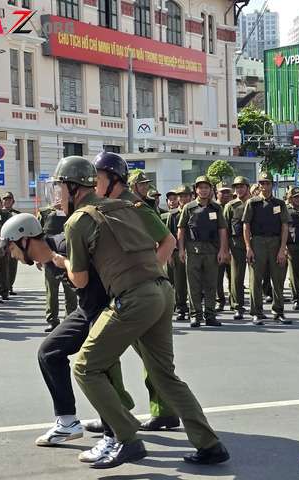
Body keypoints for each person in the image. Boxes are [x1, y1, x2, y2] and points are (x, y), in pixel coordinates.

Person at [47, 156, 229, 469]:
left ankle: (127, 439)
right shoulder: (125, 206)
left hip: (133, 299)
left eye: (61, 188)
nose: (58, 195)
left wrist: (55, 258)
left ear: (74, 188)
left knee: (86, 368)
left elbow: (79, 279)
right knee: (165, 375)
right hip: (161, 290)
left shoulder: (78, 221)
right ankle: (210, 444)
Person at [0, 212, 133, 455]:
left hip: (109, 308)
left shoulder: (65, 246)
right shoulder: (48, 257)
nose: (11, 255)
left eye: (11, 248)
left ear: (25, 239)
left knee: (95, 365)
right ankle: (67, 422)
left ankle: (114, 434)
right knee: (49, 352)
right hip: (87, 309)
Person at [93, 151, 179, 433]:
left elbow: (168, 240)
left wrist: (150, 271)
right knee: (133, 354)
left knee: (145, 355)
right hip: (123, 289)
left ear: (113, 179)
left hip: (141, 291)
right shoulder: (106, 205)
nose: (94, 183)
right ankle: (119, 412)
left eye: (98, 177)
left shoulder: (135, 206)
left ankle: (152, 411)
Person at [178, 176, 229, 327]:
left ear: (211, 190)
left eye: (206, 187)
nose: (203, 190)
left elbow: (222, 230)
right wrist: (181, 250)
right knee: (193, 285)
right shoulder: (189, 207)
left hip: (212, 251)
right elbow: (181, 230)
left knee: (211, 284)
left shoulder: (216, 207)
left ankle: (210, 315)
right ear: (196, 190)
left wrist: (223, 250)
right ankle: (195, 315)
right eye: (200, 187)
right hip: (193, 250)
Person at [243, 171, 290, 325]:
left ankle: (278, 311)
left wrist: (282, 248)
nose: (265, 186)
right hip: (257, 242)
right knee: (255, 279)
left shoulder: (280, 204)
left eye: (267, 183)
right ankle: (256, 312)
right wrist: (248, 247)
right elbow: (246, 226)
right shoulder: (253, 203)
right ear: (259, 185)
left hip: (275, 242)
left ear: (272, 185)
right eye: (262, 183)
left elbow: (285, 226)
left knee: (278, 278)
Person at [37, 201, 78, 332]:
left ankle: (70, 318)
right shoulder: (44, 214)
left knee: (70, 290)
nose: (59, 199)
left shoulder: (74, 212)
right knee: (51, 290)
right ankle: (52, 320)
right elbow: (38, 236)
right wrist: (38, 257)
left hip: (68, 254)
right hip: (49, 256)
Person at [223, 176, 251, 320]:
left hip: (254, 244)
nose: (239, 189)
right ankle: (237, 306)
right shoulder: (230, 206)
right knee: (236, 278)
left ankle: (255, 308)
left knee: (255, 278)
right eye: (237, 187)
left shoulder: (255, 203)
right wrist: (225, 249)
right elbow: (224, 229)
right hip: (236, 244)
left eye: (242, 186)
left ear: (247, 187)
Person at [167, 185, 192, 322]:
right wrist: (170, 255)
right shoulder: (173, 215)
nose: (183, 198)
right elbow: (168, 235)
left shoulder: (195, 211)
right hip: (177, 252)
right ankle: (181, 308)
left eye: (186, 196)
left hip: (193, 251)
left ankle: (195, 309)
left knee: (194, 283)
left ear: (191, 197)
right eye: (181, 196)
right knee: (179, 283)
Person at [215, 183, 232, 311]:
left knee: (234, 276)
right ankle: (219, 300)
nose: (225, 194)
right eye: (223, 192)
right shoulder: (213, 207)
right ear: (217, 193)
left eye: (228, 192)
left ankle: (234, 300)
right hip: (216, 247)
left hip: (233, 246)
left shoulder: (234, 206)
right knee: (217, 277)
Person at [2, 191, 21, 296]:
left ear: (13, 201)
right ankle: (3, 287)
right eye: (5, 199)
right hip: (2, 243)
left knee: (12, 266)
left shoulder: (17, 214)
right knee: (3, 267)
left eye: (9, 199)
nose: (7, 201)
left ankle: (10, 285)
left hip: (14, 243)